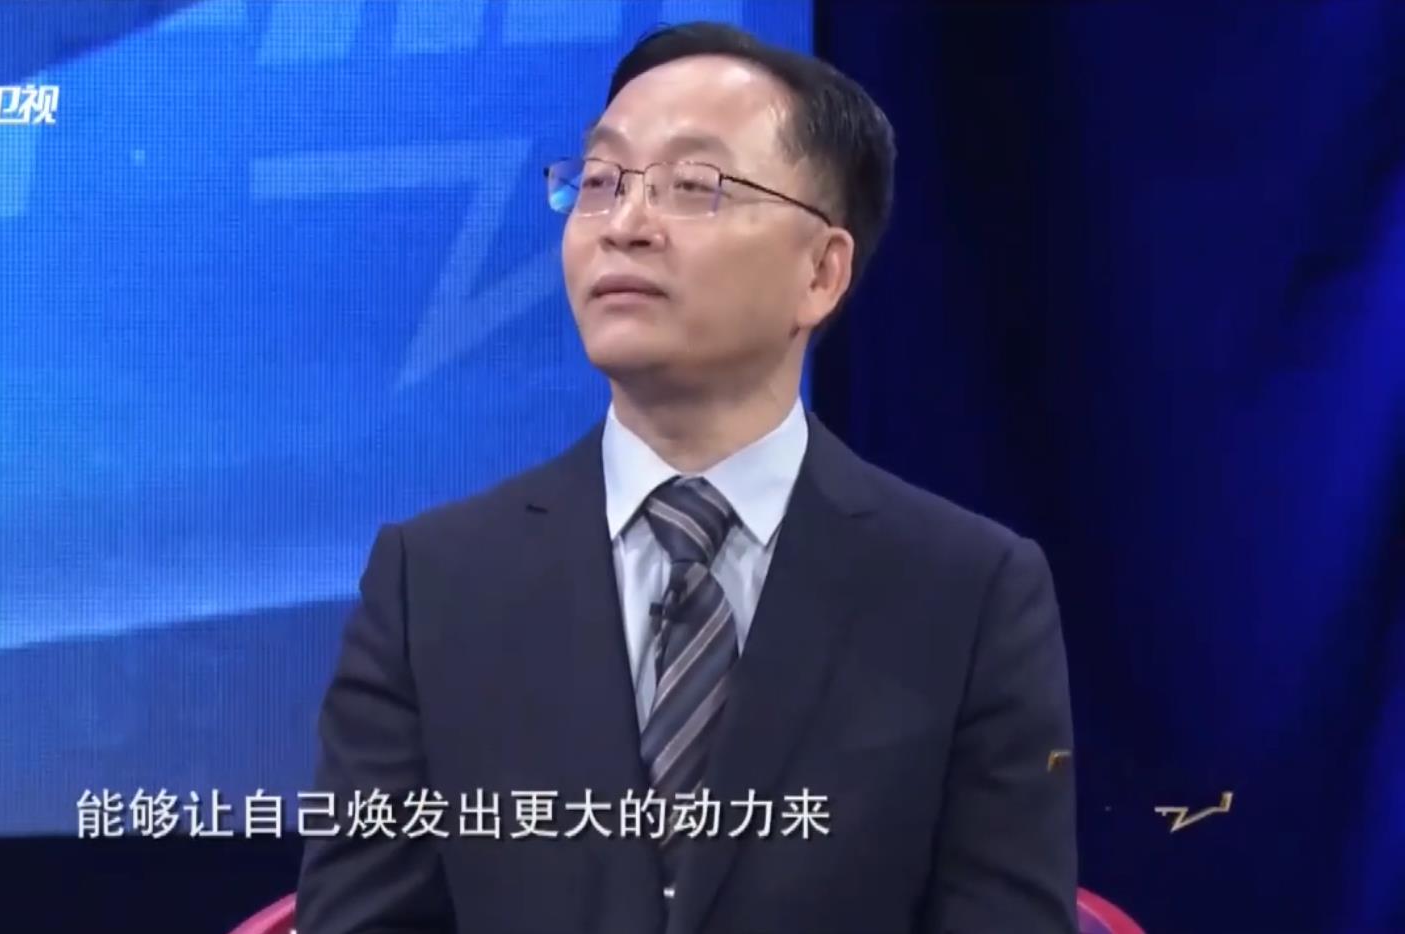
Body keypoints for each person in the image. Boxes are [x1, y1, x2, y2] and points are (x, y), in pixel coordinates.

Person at [296, 21, 1077, 934]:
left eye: (693, 186)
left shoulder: (967, 592)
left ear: (821, 273)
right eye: (599, 182)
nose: (624, 225)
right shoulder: (432, 581)